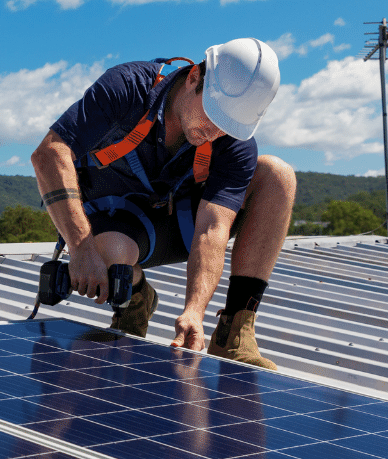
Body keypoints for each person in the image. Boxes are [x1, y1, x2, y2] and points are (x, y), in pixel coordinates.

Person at [30, 38, 295, 369]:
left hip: (178, 223)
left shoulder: (232, 143)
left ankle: (235, 333)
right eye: (213, 116)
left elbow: (213, 228)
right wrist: (81, 248)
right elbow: (49, 153)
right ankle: (136, 299)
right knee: (113, 253)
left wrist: (194, 312)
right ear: (194, 78)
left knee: (277, 175)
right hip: (114, 219)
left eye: (227, 126)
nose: (214, 132)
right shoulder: (127, 88)